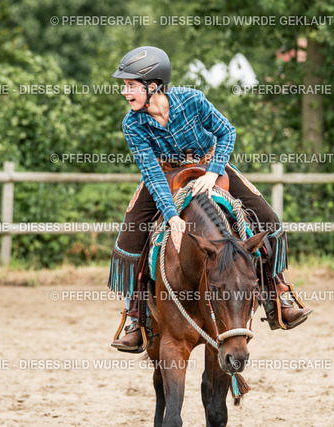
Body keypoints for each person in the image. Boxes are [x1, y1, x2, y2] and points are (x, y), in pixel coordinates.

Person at [109, 46, 311, 352]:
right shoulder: (132, 124)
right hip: (163, 173)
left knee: (268, 219)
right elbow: (150, 171)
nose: (125, 92)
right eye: (125, 86)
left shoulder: (193, 99)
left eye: (130, 85)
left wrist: (214, 171)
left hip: (210, 164)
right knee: (129, 237)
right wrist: (172, 216)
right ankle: (136, 317)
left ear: (153, 86)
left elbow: (227, 132)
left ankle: (277, 295)